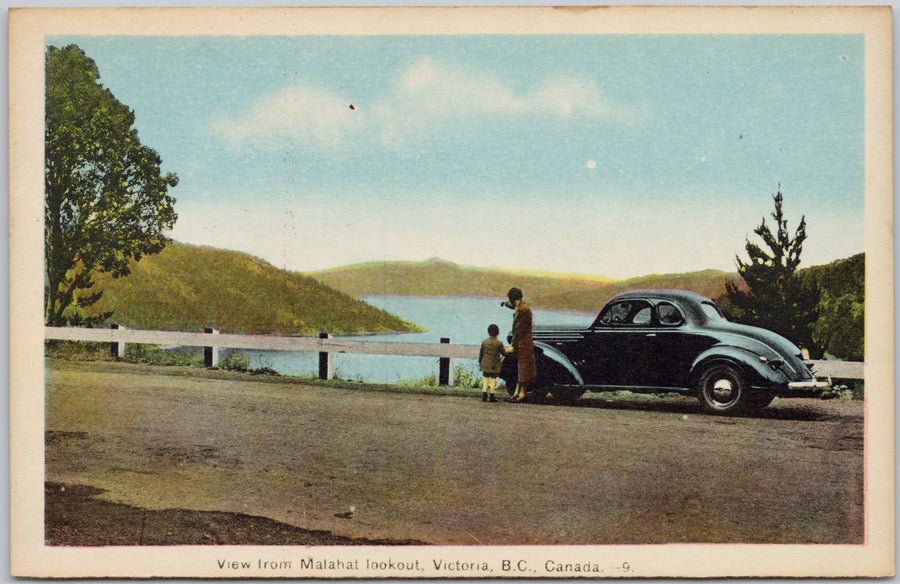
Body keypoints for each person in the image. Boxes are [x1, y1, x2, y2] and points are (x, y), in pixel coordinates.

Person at [502, 287, 535, 402]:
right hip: (524, 342)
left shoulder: (522, 311)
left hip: (523, 343)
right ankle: (517, 392)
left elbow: (518, 330)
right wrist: (504, 303)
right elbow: (512, 305)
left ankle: (521, 393)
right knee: (520, 368)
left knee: (523, 368)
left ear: (512, 298)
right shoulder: (523, 306)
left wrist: (513, 345)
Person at [478, 324, 505, 402]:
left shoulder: (484, 342)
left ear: (488, 332)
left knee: (486, 378)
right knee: (493, 379)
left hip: (485, 363)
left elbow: (481, 353)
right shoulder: (499, 343)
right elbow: (503, 353)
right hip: (494, 364)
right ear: (498, 333)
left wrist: (480, 361)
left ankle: (484, 394)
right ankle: (492, 395)